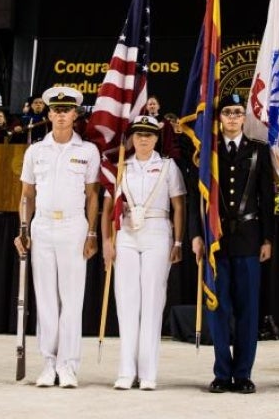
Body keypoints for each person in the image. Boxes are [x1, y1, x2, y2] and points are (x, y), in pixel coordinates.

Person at [12, 86, 101, 388]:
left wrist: (91, 232)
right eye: (56, 110)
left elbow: (92, 196)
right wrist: (23, 230)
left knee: (72, 299)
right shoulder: (35, 151)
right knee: (46, 299)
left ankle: (69, 365)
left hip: (73, 227)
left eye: (67, 110)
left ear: (75, 115)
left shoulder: (88, 151)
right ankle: (49, 363)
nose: (61, 115)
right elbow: (26, 194)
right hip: (42, 227)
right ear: (48, 114)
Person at [189, 93, 274, 394]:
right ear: (219, 117)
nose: (233, 118)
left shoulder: (258, 151)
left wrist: (267, 237)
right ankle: (222, 372)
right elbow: (196, 197)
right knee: (219, 307)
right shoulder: (207, 153)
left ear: (244, 118)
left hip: (249, 238)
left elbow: (267, 199)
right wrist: (196, 234)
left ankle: (244, 373)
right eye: (228, 112)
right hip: (217, 240)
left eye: (238, 113)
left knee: (248, 310)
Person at [101, 115, 186, 391]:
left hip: (157, 230)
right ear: (131, 138)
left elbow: (179, 205)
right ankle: (126, 370)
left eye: (149, 134)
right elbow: (108, 206)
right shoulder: (120, 167)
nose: (144, 139)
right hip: (126, 231)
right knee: (126, 301)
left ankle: (148, 371)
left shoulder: (168, 167)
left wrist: (178, 242)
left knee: (152, 300)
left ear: (157, 138)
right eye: (138, 134)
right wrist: (106, 240)